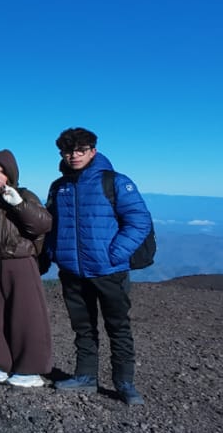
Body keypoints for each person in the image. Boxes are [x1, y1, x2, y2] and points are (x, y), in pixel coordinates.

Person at [44, 127, 152, 405]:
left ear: (93, 150)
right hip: (72, 271)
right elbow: (52, 225)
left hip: (109, 270)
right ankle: (86, 376)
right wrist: (54, 253)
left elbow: (139, 221)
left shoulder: (114, 182)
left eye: (81, 150)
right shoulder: (60, 186)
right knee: (83, 327)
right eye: (68, 151)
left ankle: (124, 382)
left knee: (118, 326)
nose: (74, 156)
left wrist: (115, 254)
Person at [0, 149, 54, 388]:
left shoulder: (23, 194)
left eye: (2, 172)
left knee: (26, 317)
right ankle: (5, 364)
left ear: (11, 174)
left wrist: (18, 204)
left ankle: (30, 369)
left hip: (19, 262)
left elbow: (43, 223)